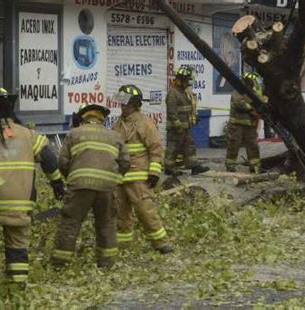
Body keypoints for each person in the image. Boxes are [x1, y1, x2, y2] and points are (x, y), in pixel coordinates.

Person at [0, 87, 65, 289]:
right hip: (20, 205)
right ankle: (18, 287)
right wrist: (57, 185)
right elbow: (50, 158)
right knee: (17, 244)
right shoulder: (28, 135)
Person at [51, 104, 130, 268]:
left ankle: (60, 263)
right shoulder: (114, 136)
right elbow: (125, 162)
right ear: (102, 119)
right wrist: (114, 178)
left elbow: (62, 162)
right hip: (107, 187)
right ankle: (107, 262)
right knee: (107, 223)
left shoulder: (74, 133)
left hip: (80, 186)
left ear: (83, 118)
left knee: (71, 222)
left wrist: (72, 177)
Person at [112, 85, 172, 254]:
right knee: (120, 213)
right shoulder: (118, 124)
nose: (122, 106)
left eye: (125, 103)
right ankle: (124, 246)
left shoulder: (144, 123)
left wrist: (154, 172)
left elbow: (156, 148)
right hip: (120, 178)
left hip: (139, 178)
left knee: (145, 211)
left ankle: (161, 243)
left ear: (134, 104)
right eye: (121, 103)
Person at [165, 66, 210, 176]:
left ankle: (194, 166)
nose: (188, 83)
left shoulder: (183, 92)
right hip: (176, 128)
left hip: (186, 127)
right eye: (187, 80)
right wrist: (178, 126)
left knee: (189, 147)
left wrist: (194, 116)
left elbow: (187, 108)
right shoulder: (173, 93)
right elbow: (172, 112)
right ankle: (169, 168)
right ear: (181, 81)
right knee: (173, 148)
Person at [225, 72, 261, 173]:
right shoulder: (237, 92)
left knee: (253, 146)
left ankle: (255, 166)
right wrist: (252, 108)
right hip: (236, 126)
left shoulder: (254, 93)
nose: (253, 85)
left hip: (250, 126)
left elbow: (260, 103)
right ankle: (230, 166)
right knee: (233, 145)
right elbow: (239, 104)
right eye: (252, 83)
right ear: (248, 83)